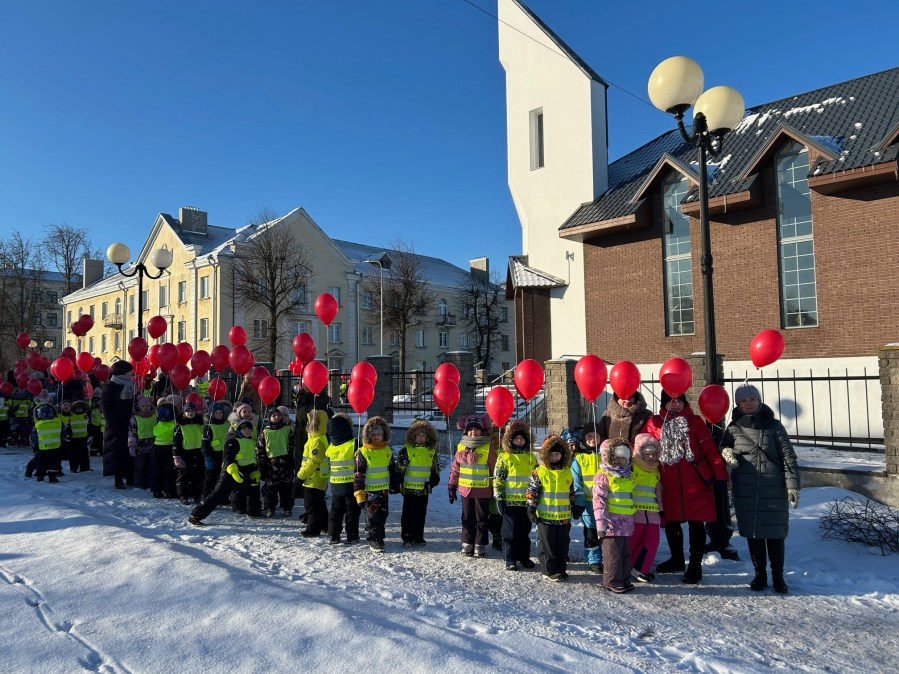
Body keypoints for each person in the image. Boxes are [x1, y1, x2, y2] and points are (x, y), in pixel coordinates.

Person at [720, 383, 801, 594]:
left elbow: (788, 456)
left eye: (752, 400)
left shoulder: (774, 426)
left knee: (775, 534)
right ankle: (760, 575)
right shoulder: (733, 428)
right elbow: (723, 447)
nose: (748, 404)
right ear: (738, 404)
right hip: (745, 488)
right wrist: (727, 453)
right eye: (743, 401)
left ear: (759, 401)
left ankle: (778, 577)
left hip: (773, 486)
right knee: (753, 533)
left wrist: (793, 485)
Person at [646, 391, 728, 584]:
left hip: (696, 481)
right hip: (668, 482)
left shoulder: (695, 422)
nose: (675, 404)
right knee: (672, 522)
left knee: (696, 523)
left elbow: (709, 448)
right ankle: (676, 559)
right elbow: (643, 447)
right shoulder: (654, 423)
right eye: (671, 401)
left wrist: (720, 475)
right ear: (664, 403)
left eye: (679, 400)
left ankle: (695, 565)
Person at [189, 420, 259, 525]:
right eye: (244, 428)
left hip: (246, 472)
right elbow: (227, 458)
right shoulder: (232, 441)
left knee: (253, 491)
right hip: (230, 474)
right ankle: (195, 515)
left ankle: (254, 512)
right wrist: (233, 471)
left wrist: (255, 472)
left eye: (249, 428)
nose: (247, 430)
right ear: (238, 430)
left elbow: (253, 458)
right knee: (217, 495)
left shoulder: (251, 442)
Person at [527, 434, 576, 581]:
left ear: (563, 455)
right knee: (547, 545)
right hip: (545, 517)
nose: (554, 457)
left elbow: (570, 491)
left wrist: (575, 505)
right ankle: (549, 570)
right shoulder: (539, 472)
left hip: (563, 518)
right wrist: (531, 508)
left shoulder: (567, 472)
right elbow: (532, 492)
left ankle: (561, 568)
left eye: (557, 454)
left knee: (562, 545)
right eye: (551, 454)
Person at [448, 414, 497, 558]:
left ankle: (480, 543)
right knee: (467, 517)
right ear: (466, 431)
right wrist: (452, 485)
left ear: (482, 431)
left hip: (483, 490)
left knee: (481, 518)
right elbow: (456, 468)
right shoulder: (461, 446)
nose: (473, 432)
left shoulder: (488, 447)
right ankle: (467, 541)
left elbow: (493, 469)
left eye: (476, 430)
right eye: (470, 430)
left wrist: (495, 488)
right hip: (466, 490)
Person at [594, 437, 637, 593]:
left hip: (625, 523)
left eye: (623, 458)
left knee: (625, 554)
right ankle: (611, 581)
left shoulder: (627, 475)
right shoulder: (604, 475)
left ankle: (625, 579)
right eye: (616, 458)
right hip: (611, 523)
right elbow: (599, 501)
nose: (619, 461)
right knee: (613, 555)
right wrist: (601, 525)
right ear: (608, 457)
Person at [493, 420, 537, 570]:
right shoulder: (505, 457)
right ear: (510, 440)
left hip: (527, 502)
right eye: (516, 438)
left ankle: (523, 557)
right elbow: (498, 479)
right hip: (510, 503)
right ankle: (510, 558)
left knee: (524, 532)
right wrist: (499, 497)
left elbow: (537, 479)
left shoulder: (531, 457)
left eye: (522, 438)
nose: (519, 441)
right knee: (510, 533)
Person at [395, 419, 440, 547]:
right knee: (408, 514)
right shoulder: (406, 450)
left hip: (424, 489)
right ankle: (407, 537)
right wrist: (398, 484)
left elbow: (435, 471)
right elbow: (400, 470)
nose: (421, 438)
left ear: (428, 437)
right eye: (418, 435)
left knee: (421, 513)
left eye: (424, 435)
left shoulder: (431, 452)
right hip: (409, 489)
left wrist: (432, 482)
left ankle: (418, 536)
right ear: (413, 436)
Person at [354, 416, 396, 552]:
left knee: (383, 515)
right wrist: (359, 494)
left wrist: (395, 484)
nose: (377, 437)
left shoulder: (387, 450)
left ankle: (380, 537)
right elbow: (359, 475)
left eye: (379, 434)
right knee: (372, 517)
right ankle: (373, 539)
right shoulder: (363, 452)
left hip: (383, 491)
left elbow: (392, 470)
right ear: (368, 435)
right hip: (370, 492)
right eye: (373, 434)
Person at [565, 425, 603, 574]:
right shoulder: (579, 458)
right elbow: (576, 481)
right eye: (589, 436)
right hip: (588, 503)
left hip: (606, 503)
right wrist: (579, 502)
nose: (593, 439)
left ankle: (608, 556)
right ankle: (594, 559)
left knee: (605, 532)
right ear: (583, 439)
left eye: (596, 436)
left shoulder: (606, 454)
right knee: (591, 533)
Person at [629, 433, 663, 583]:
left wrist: (662, 511)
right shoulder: (631, 465)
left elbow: (659, 492)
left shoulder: (657, 469)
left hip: (653, 512)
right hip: (635, 511)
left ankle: (641, 568)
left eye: (654, 454)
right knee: (633, 541)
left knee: (653, 541)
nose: (651, 457)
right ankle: (627, 565)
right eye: (647, 454)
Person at [325, 414, 360, 544]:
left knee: (336, 510)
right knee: (352, 511)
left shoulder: (331, 447)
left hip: (336, 484)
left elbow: (326, 465)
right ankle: (352, 535)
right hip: (352, 484)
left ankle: (334, 535)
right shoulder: (354, 443)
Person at [296, 410, 330, 537]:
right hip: (315, 477)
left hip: (314, 478)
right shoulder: (316, 439)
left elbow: (312, 462)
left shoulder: (317, 441)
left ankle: (313, 528)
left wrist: (300, 476)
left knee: (311, 504)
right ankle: (325, 525)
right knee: (319, 503)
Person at [256, 407, 295, 517]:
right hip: (271, 465)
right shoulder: (265, 432)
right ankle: (270, 508)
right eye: (274, 415)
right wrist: (262, 464)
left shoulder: (288, 429)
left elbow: (292, 445)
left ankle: (287, 507)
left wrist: (292, 460)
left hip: (286, 463)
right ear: (269, 418)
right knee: (271, 489)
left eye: (279, 415)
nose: (277, 417)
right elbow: (260, 449)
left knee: (286, 488)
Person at [102, 360, 136, 489]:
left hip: (129, 423)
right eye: (130, 371)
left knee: (130, 451)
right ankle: (118, 478)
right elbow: (106, 408)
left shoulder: (131, 385)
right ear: (123, 371)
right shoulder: (110, 386)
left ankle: (129, 476)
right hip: (116, 425)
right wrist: (113, 424)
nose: (132, 373)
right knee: (117, 452)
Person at [173, 401, 205, 504]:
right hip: (185, 453)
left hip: (198, 452)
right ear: (184, 412)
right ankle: (183, 495)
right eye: (187, 411)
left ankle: (197, 495)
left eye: (192, 411)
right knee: (184, 475)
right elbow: (176, 442)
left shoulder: (201, 423)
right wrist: (176, 456)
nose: (190, 413)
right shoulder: (180, 425)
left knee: (198, 475)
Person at [128, 396, 156, 490]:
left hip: (152, 444)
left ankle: (149, 483)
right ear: (139, 406)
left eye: (147, 405)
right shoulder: (135, 418)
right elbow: (132, 432)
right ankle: (139, 484)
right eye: (143, 406)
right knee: (140, 466)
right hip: (140, 445)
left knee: (151, 465)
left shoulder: (154, 416)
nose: (146, 408)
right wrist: (132, 445)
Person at [151, 401, 177, 499]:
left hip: (157, 447)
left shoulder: (159, 423)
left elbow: (155, 432)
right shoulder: (174, 423)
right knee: (168, 470)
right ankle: (168, 490)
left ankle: (156, 490)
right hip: (168, 447)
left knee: (157, 469)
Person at [31, 402, 63, 483]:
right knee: (54, 463)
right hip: (55, 447)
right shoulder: (58, 421)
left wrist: (34, 446)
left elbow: (34, 436)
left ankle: (40, 476)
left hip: (42, 448)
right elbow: (63, 432)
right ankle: (52, 477)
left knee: (41, 462)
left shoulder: (37, 424)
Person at [67, 400, 91, 473]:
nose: (79, 409)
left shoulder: (85, 416)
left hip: (83, 438)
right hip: (73, 439)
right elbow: (68, 427)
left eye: (80, 407)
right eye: (77, 407)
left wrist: (90, 435)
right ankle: (73, 468)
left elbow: (88, 426)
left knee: (84, 454)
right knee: (73, 455)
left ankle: (85, 467)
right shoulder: (70, 416)